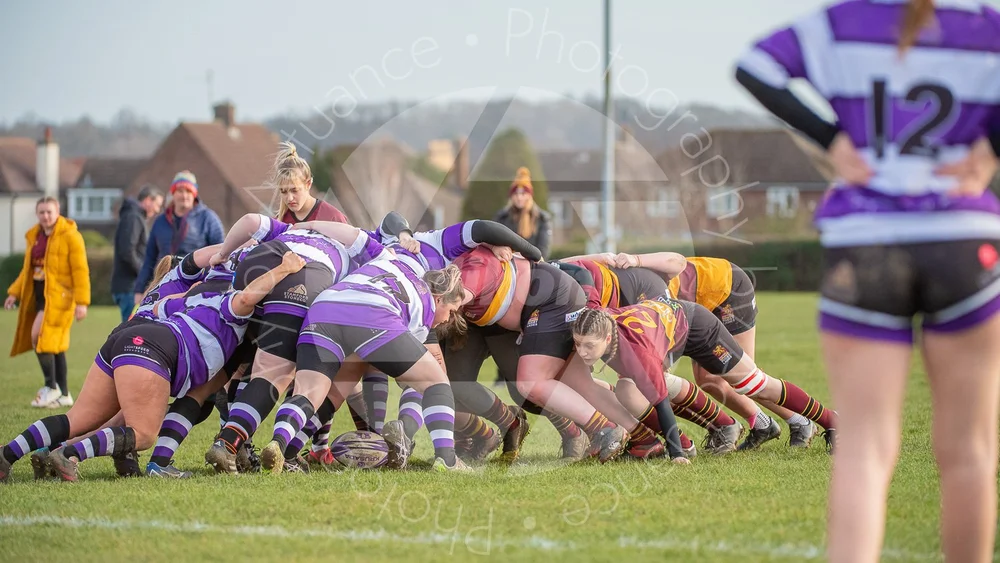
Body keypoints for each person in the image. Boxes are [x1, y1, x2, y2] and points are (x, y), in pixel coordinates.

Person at [737, 1, 1000, 561]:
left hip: (866, 238)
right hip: (962, 240)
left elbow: (754, 67)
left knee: (864, 451)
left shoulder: (841, 20)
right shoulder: (984, 24)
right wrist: (988, 149)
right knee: (970, 454)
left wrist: (832, 139)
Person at [0, 251, 305, 483]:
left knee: (76, 418)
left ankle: (7, 454)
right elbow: (248, 296)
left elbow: (158, 306)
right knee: (143, 433)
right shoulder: (230, 304)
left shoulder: (190, 295)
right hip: (152, 351)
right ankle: (69, 454)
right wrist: (285, 269)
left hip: (123, 340)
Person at [5, 197, 90, 408]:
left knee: (39, 336)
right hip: (38, 296)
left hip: (59, 300)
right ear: (37, 214)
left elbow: (80, 270)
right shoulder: (34, 236)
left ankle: (50, 387)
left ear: (58, 211)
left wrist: (82, 302)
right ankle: (65, 394)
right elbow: (27, 270)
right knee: (55, 346)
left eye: (49, 211)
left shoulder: (71, 236)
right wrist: (14, 293)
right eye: (41, 212)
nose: (45, 216)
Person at [133, 170, 224, 304]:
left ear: (194, 194)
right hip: (163, 284)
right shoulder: (160, 222)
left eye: (188, 191)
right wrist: (140, 289)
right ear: (173, 193)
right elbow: (150, 258)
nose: (184, 196)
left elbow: (222, 253)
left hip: (195, 286)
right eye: (180, 191)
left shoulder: (208, 219)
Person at [111, 185, 163, 322]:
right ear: (147, 200)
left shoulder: (133, 216)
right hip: (129, 286)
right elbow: (127, 251)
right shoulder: (133, 218)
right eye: (157, 205)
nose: (157, 210)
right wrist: (144, 275)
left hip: (129, 285)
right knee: (131, 329)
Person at [274, 142, 350, 224]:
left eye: (294, 190)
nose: (289, 198)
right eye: (284, 191)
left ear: (308, 184)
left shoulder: (333, 218)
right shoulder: (278, 223)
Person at [493, 167, 552, 260]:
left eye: (523, 194)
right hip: (507, 262)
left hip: (532, 265)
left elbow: (543, 250)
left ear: (529, 196)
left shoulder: (541, 218)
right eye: (516, 194)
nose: (519, 198)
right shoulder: (502, 217)